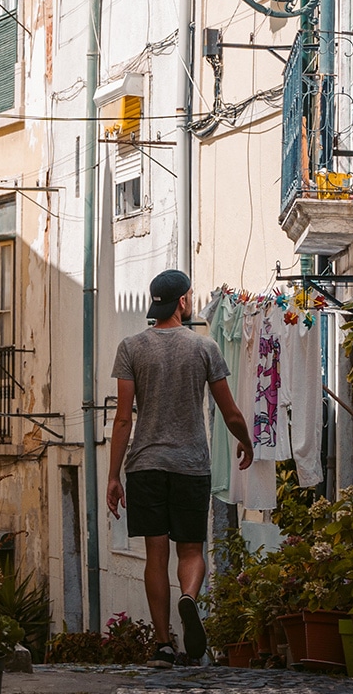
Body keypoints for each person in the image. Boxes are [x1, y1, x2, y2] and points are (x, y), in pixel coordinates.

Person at [106, 269, 253, 668]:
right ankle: (189, 596)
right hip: (190, 465)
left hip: (146, 466)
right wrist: (246, 441)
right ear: (184, 302)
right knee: (190, 548)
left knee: (156, 554)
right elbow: (230, 410)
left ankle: (162, 644)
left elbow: (123, 419)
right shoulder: (204, 348)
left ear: (156, 303)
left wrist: (113, 475)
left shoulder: (131, 347)